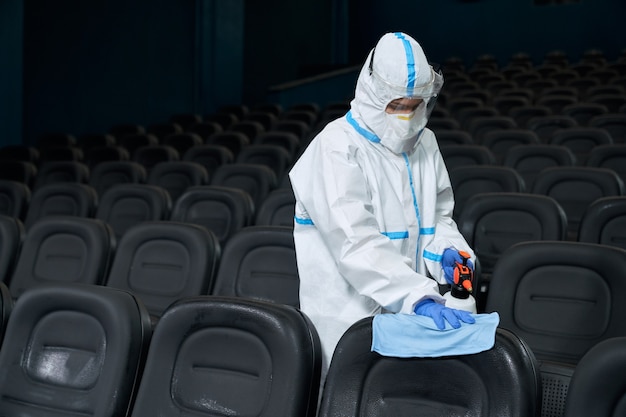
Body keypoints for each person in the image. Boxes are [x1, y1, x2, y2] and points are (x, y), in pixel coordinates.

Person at [288, 32, 477, 383]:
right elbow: (355, 243)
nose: (407, 117)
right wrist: (415, 296)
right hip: (346, 325)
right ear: (373, 95)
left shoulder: (425, 143)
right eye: (397, 106)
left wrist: (447, 252)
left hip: (410, 317)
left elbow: (438, 217)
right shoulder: (335, 148)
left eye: (415, 105)